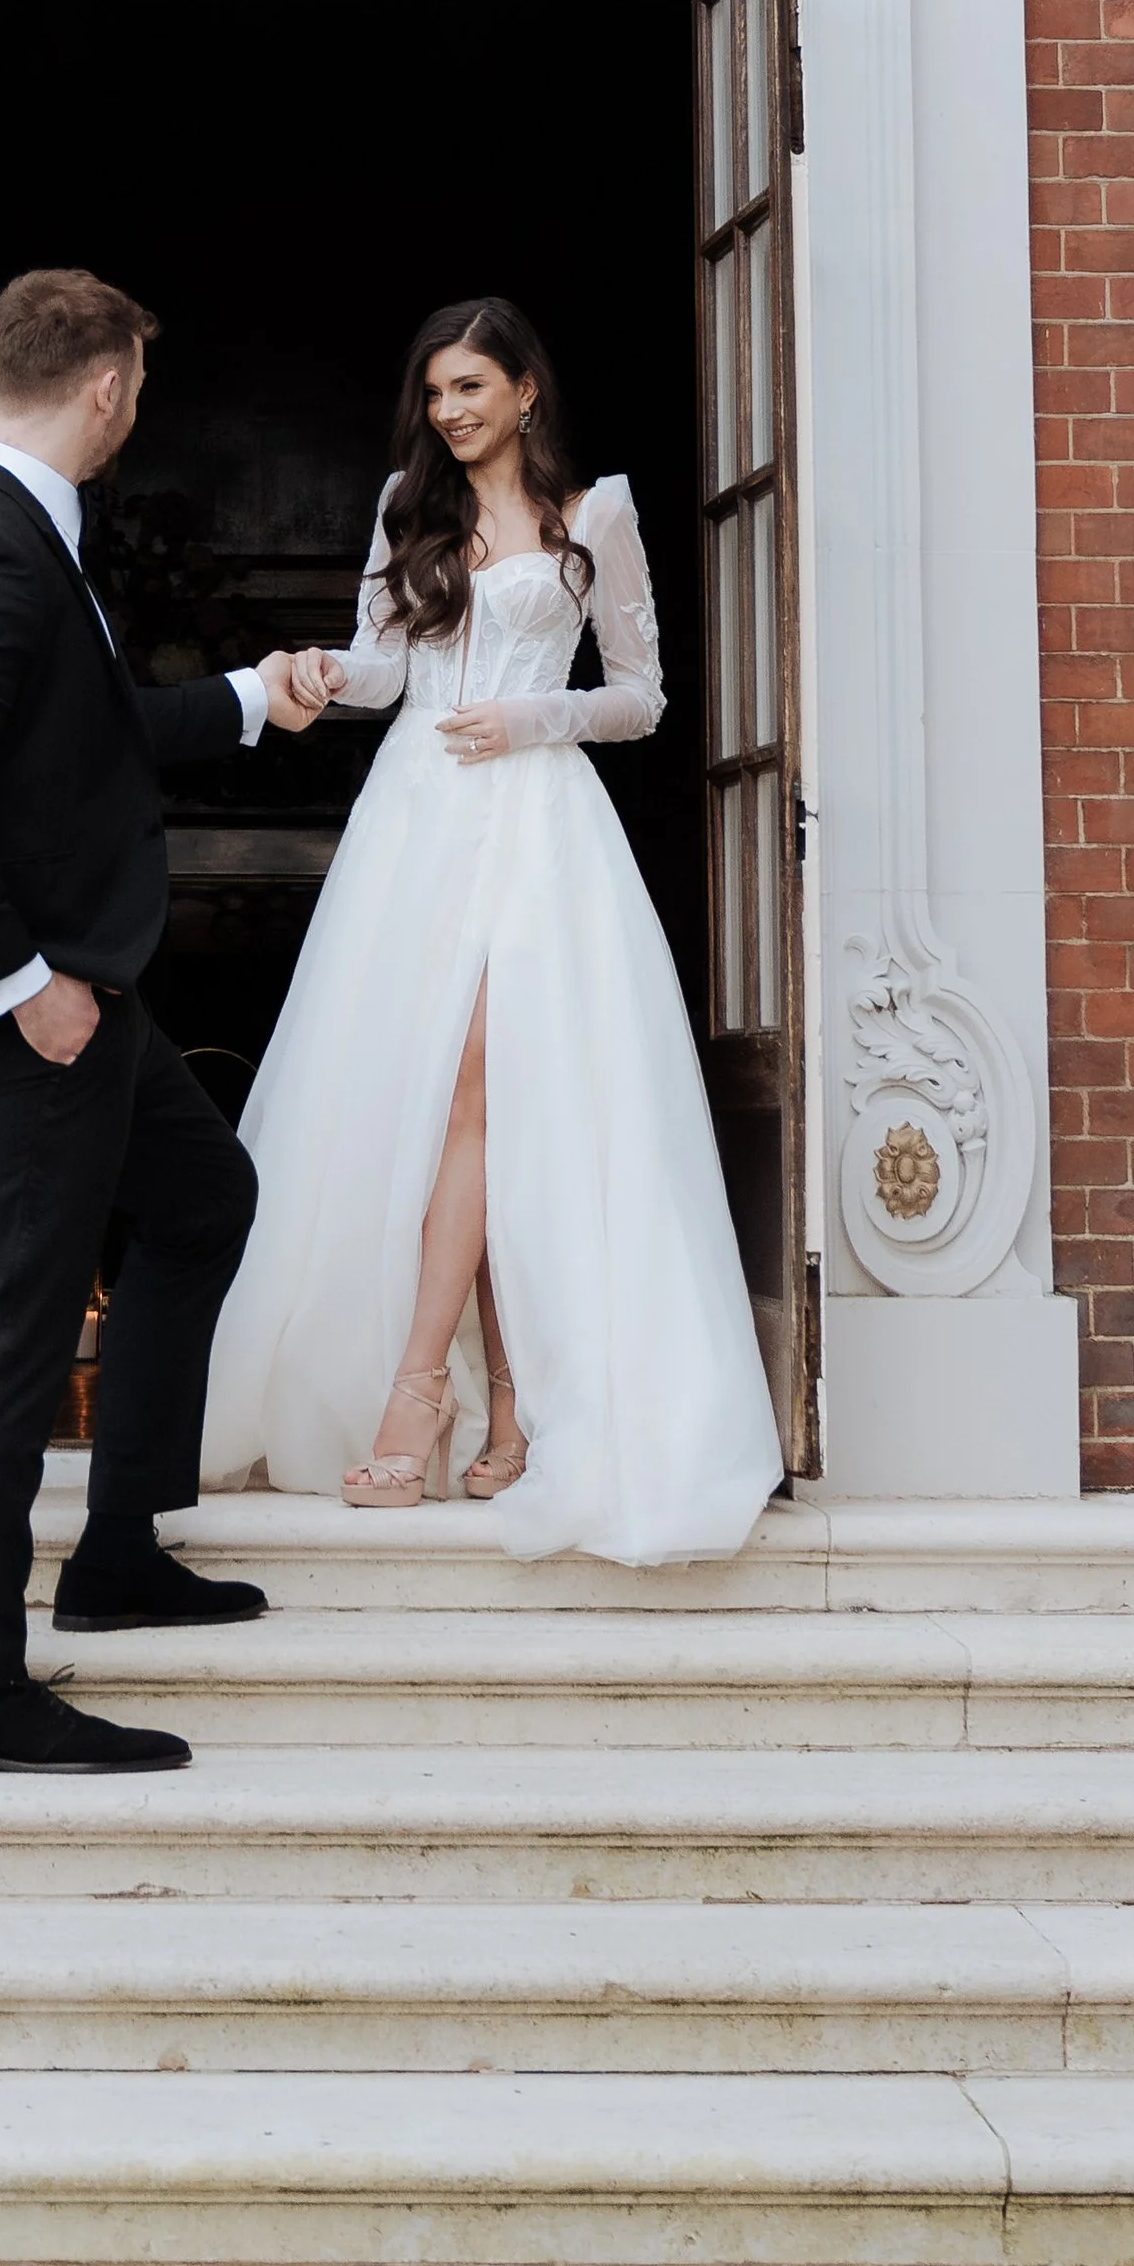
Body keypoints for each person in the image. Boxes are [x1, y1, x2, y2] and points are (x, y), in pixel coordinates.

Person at [203, 297, 784, 1563]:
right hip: (414, 821)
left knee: (482, 1091)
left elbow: (641, 698)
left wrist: (534, 719)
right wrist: (314, 669)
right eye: (434, 394)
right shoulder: (406, 510)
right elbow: (382, 668)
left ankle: (420, 1391)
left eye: (469, 387)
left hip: (537, 824)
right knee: (439, 1099)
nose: (448, 412)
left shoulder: (600, 514)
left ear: (526, 389)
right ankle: (505, 1406)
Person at [0, 267, 327, 1773]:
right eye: (137, 382)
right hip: (41, 1014)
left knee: (206, 1199)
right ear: (107, 390)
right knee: (8, 1341)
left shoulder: (33, 536)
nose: (137, 402)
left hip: (94, 999)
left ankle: (119, 1548)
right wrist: (23, 985)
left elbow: (92, 736)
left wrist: (255, 700)